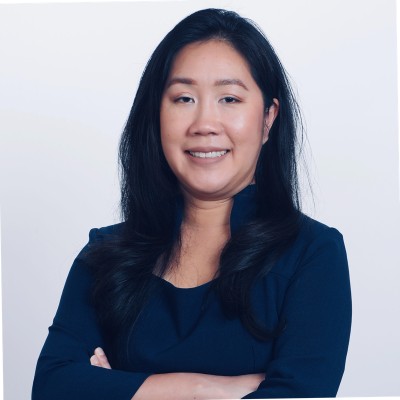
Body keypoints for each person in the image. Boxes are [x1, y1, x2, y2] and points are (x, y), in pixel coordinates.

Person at [32, 8, 351, 400]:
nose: (204, 124)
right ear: (157, 114)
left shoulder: (313, 254)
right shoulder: (104, 255)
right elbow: (51, 387)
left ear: (268, 118)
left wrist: (119, 387)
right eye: (184, 98)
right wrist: (201, 388)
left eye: (229, 98)